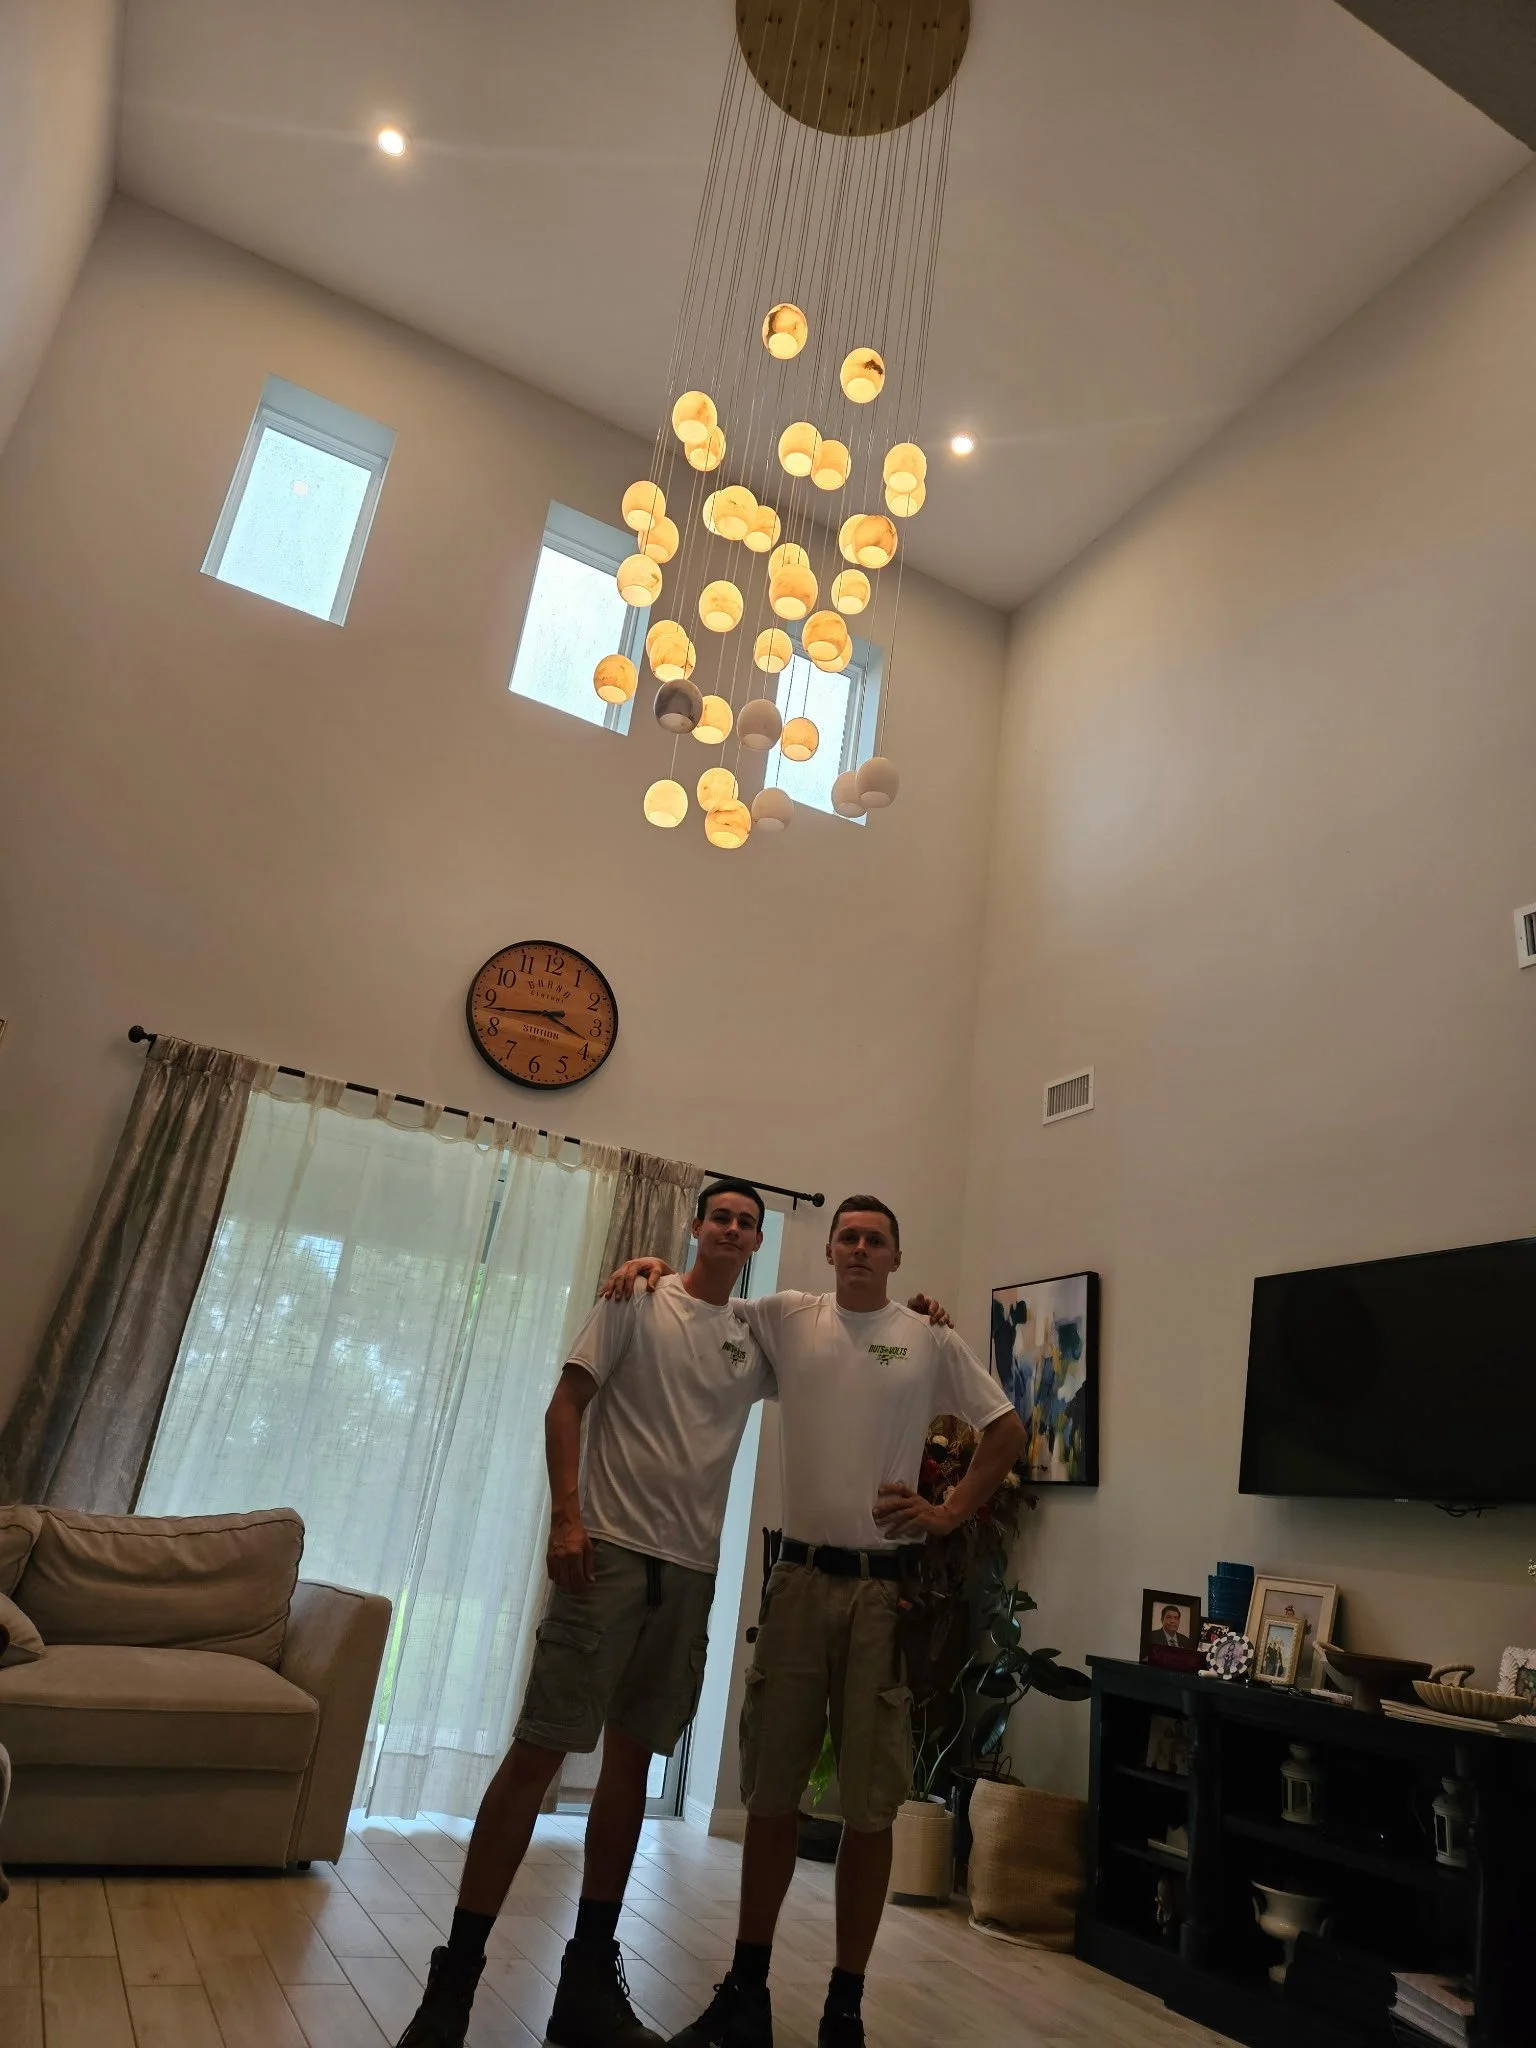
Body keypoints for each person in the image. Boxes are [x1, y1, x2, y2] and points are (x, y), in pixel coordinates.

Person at [604, 1196, 1027, 2048]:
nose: (861, 1248)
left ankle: (845, 2005)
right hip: (797, 1583)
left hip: (882, 1594)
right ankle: (746, 1993)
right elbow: (705, 1303)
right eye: (849, 1237)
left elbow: (1008, 1430)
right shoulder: (788, 1317)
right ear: (829, 1250)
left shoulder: (928, 1338)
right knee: (769, 1793)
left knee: (871, 1808)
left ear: (897, 1256)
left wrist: (946, 1512)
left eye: (877, 1239)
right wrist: (645, 1271)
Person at [395, 1180, 773, 2048]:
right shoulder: (638, 1300)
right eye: (720, 1215)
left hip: (689, 1577)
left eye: (747, 1221)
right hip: (604, 1554)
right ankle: (453, 1986)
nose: (732, 1228)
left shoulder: (758, 1337)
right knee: (539, 1750)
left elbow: (846, 1345)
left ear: (755, 1240)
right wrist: (567, 1518)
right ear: (695, 1227)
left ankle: (587, 1987)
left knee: (630, 1772)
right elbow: (566, 1403)